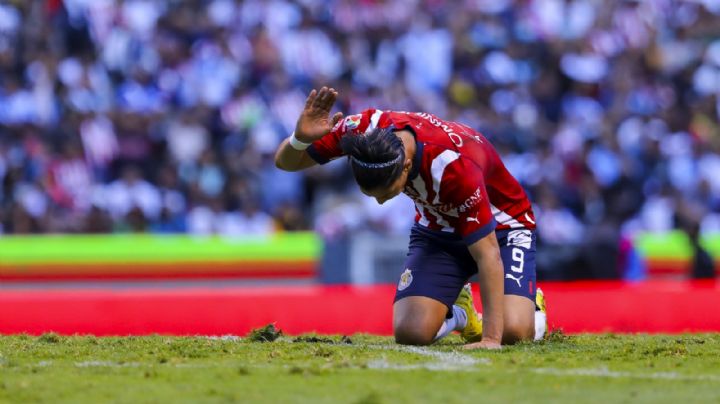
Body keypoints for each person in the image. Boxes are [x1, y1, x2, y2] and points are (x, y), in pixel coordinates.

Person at [275, 87, 547, 349]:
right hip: (439, 226)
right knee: (411, 333)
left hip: (503, 229)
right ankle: (460, 311)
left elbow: (487, 254)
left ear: (405, 165)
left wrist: (490, 339)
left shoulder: (454, 167)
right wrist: (301, 139)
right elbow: (285, 162)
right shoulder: (362, 134)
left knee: (512, 332)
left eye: (387, 192)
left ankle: (529, 304)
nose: (380, 201)